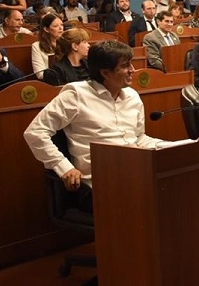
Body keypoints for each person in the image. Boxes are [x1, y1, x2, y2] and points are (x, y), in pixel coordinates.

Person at [23, 41, 177, 209]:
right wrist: (64, 167)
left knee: (177, 185)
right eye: (125, 66)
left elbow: (138, 138)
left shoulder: (132, 96)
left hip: (135, 172)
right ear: (105, 73)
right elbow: (35, 132)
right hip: (99, 184)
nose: (133, 70)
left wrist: (172, 146)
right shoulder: (76, 95)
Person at [31, 13, 64, 79]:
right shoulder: (37, 46)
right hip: (51, 81)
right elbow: (40, 74)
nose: (61, 28)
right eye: (56, 26)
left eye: (62, 25)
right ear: (46, 29)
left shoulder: (68, 42)